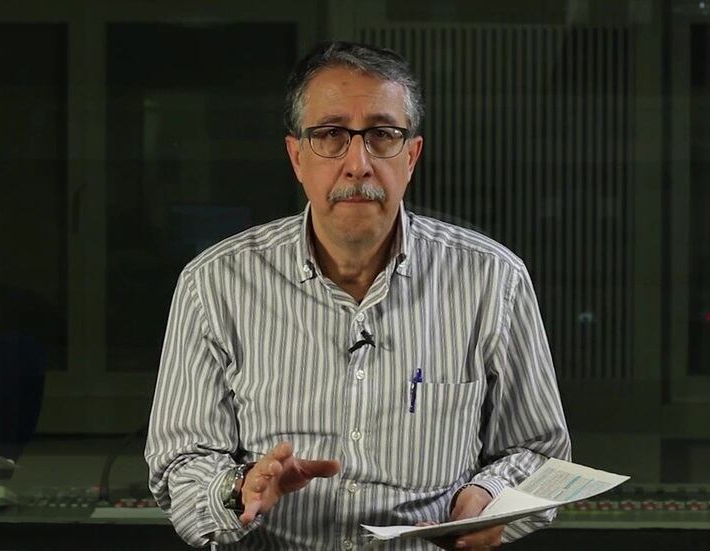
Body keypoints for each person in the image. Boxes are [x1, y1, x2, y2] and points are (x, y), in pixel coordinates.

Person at [145, 41, 571, 550]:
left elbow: (540, 450)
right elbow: (180, 463)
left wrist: (489, 493)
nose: (358, 164)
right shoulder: (215, 284)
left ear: (411, 156)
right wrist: (239, 491)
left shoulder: (492, 280)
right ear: (296, 156)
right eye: (330, 135)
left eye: (382, 135)